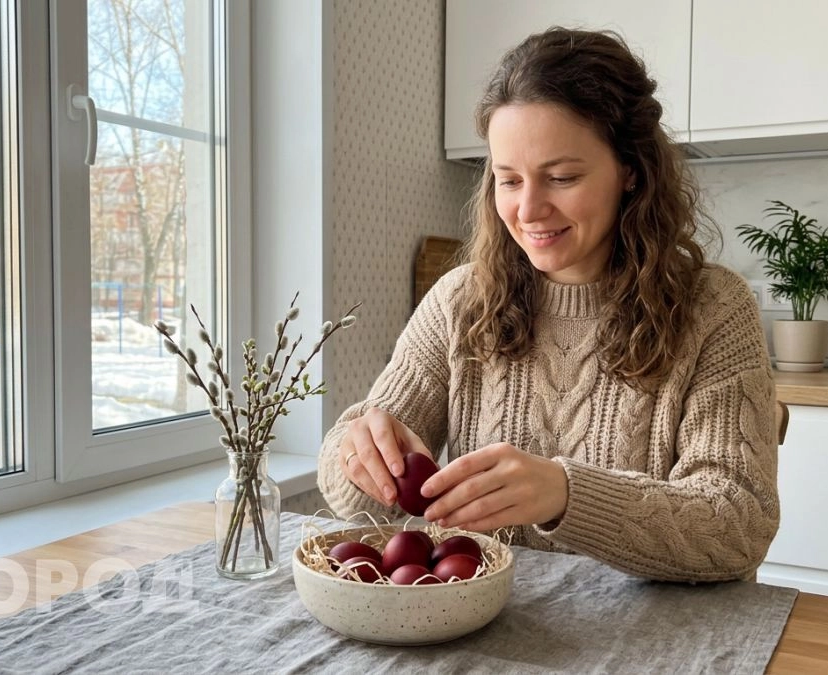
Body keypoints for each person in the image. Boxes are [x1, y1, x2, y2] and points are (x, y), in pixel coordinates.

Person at [317, 28, 778, 583]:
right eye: (508, 180)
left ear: (630, 171)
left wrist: (567, 496)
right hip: (488, 626)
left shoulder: (714, 307)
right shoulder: (459, 300)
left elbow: (737, 525)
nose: (528, 209)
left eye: (561, 177)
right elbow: (358, 498)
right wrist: (355, 450)